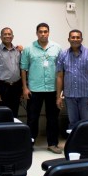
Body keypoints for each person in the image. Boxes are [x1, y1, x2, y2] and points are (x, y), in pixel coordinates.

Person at [21, 22, 62, 154]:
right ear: (37, 33)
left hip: (52, 89)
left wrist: (60, 92)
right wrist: (24, 88)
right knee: (32, 118)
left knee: (52, 118)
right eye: (40, 31)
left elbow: (61, 71)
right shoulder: (29, 48)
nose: (43, 34)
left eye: (45, 31)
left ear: (49, 32)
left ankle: (52, 144)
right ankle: (30, 143)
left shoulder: (57, 48)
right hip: (34, 89)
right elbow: (23, 69)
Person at [56, 29, 88, 130]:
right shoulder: (63, 55)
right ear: (68, 39)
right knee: (73, 123)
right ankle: (74, 145)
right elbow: (60, 76)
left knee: (86, 123)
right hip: (69, 96)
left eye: (78, 37)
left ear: (81, 39)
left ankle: (86, 145)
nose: (75, 39)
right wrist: (58, 97)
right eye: (73, 37)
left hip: (86, 96)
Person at [0, 27, 22, 117]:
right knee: (1, 115)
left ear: (12, 36)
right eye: (5, 34)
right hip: (2, 88)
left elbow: (21, 69)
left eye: (9, 34)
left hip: (16, 87)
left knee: (14, 114)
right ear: (1, 37)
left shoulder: (17, 51)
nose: (7, 36)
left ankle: (12, 131)